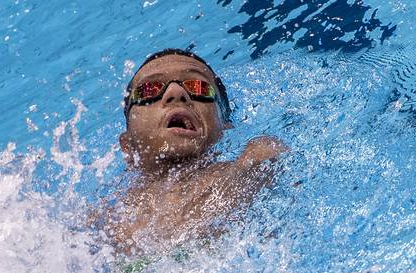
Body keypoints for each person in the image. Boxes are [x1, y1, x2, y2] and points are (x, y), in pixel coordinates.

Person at [103, 49, 288, 261]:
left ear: (224, 129)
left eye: (197, 86)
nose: (175, 93)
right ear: (128, 147)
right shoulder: (103, 222)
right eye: (149, 90)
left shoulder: (254, 162)